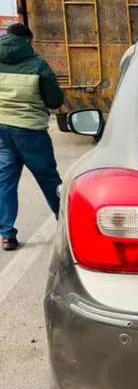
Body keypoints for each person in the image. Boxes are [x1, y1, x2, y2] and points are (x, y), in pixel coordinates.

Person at [0, 22, 64, 251]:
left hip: (2, 130)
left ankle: (7, 235)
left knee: (5, 182)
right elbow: (54, 100)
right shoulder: (37, 65)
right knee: (49, 179)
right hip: (30, 132)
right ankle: (65, 226)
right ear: (27, 41)